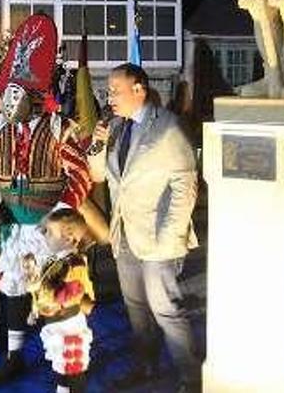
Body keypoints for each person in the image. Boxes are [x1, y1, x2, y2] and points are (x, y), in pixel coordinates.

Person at [0, 14, 92, 385]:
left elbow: (80, 176)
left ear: (34, 95)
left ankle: (67, 374)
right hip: (12, 225)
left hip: (50, 230)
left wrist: (59, 218)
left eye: (19, 94)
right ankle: (15, 354)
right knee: (13, 288)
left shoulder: (60, 128)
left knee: (58, 299)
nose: (11, 102)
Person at [89, 63, 201, 392]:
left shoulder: (167, 126)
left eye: (116, 91)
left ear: (139, 89)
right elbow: (98, 176)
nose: (110, 98)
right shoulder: (116, 127)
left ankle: (191, 378)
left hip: (159, 239)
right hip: (125, 237)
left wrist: (169, 235)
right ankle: (147, 367)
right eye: (108, 91)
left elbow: (185, 184)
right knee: (137, 311)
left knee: (166, 310)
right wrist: (98, 144)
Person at [25, 208, 96, 393]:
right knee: (61, 364)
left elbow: (71, 293)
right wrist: (35, 308)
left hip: (68, 323)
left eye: (49, 232)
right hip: (56, 322)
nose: (45, 236)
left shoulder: (75, 264)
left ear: (68, 239)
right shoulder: (54, 260)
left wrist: (44, 290)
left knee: (72, 364)